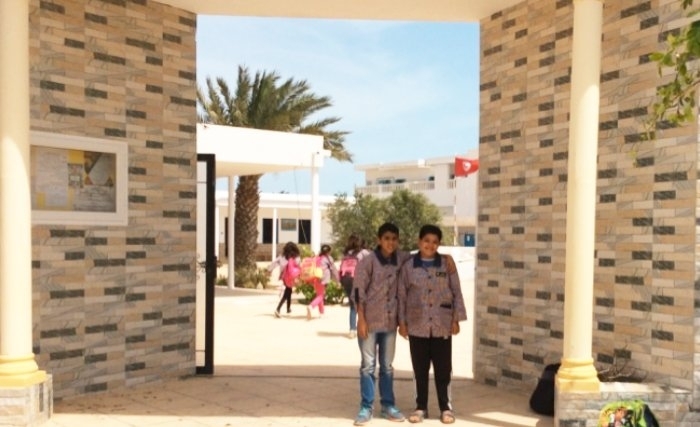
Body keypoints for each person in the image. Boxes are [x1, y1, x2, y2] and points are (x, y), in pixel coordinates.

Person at [397, 224, 467, 425]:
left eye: (435, 242)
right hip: (417, 325)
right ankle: (421, 407)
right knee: (419, 369)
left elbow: (457, 292)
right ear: (419, 242)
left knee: (443, 369)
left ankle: (446, 408)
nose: (430, 245)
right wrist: (402, 322)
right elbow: (401, 295)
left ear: (439, 244)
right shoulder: (409, 266)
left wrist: (455, 319)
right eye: (426, 241)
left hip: (442, 325)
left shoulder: (446, 264)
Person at [351, 222, 410, 426]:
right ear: (379, 240)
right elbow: (358, 291)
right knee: (368, 366)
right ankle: (366, 407)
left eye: (394, 239)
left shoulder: (402, 259)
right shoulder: (367, 262)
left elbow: (421, 257)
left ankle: (388, 405)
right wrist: (361, 320)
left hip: (390, 323)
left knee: (387, 367)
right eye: (386, 238)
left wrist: (444, 259)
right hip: (369, 323)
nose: (390, 242)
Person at [339, 234, 371, 338]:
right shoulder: (364, 252)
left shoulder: (347, 254)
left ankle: (352, 330)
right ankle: (365, 327)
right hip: (357, 281)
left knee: (353, 305)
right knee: (364, 304)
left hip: (346, 280)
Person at [267, 242, 301, 318]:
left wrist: (269, 270)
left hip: (285, 277)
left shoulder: (282, 256)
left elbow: (274, 263)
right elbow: (299, 265)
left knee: (289, 290)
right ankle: (278, 309)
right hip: (292, 277)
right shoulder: (296, 257)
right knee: (287, 292)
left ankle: (288, 308)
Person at [306, 244, 339, 320]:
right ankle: (311, 306)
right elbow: (333, 270)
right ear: (329, 251)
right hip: (323, 279)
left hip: (315, 278)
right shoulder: (328, 258)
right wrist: (337, 280)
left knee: (319, 294)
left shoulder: (317, 257)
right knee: (321, 296)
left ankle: (322, 313)